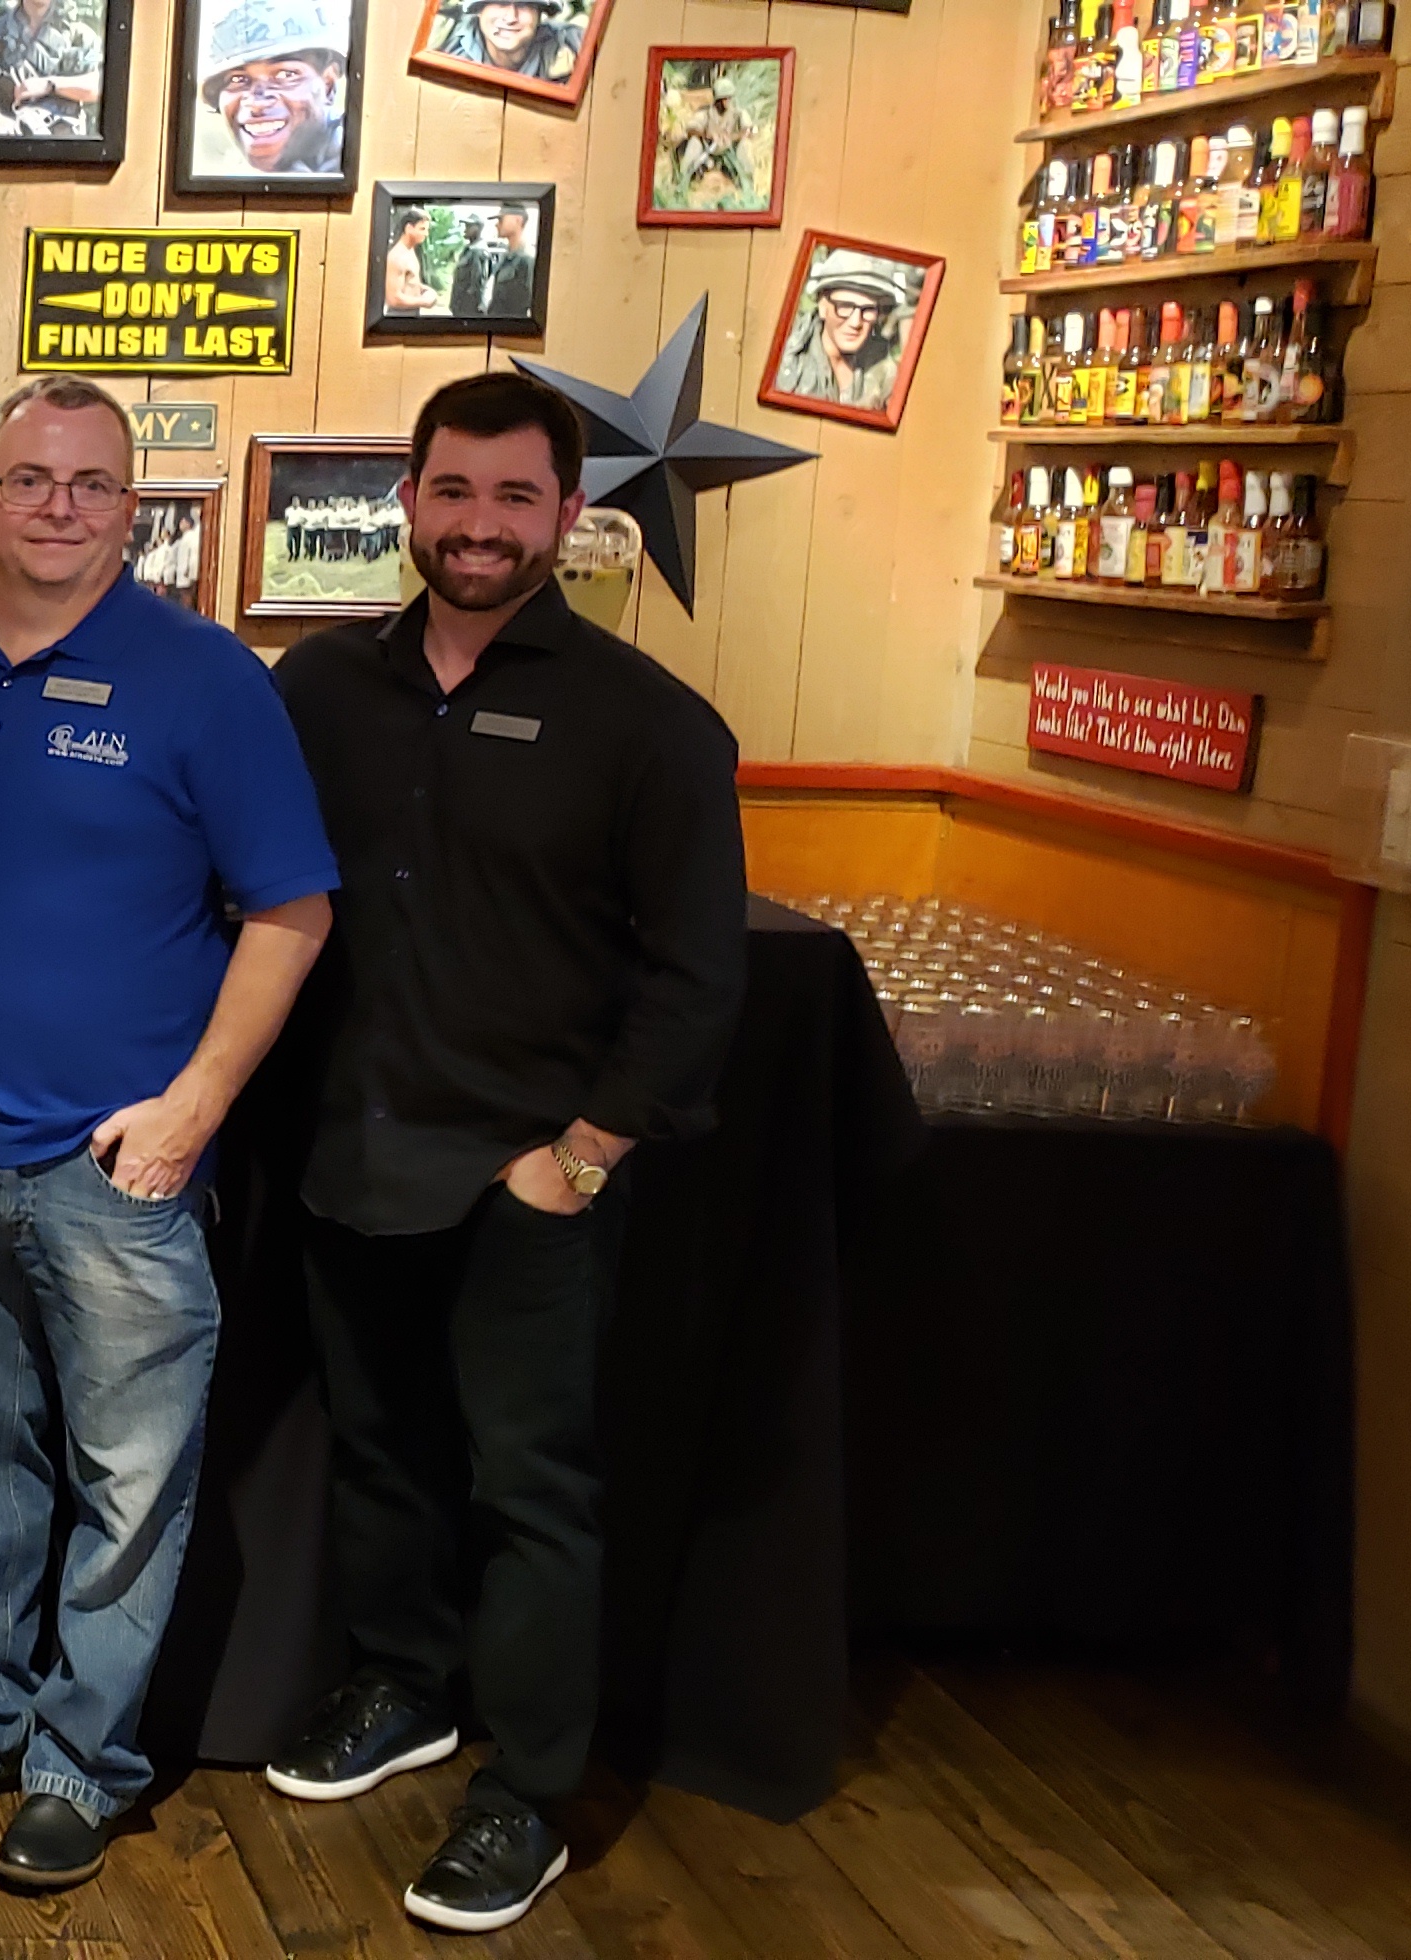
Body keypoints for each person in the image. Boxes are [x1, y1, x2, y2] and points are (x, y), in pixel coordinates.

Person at [263, 371, 747, 1935]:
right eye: (453, 493)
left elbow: (696, 979)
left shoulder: (652, 726)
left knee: (533, 1490)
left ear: (567, 516)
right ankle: (406, 1686)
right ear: (407, 501)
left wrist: (585, 1153)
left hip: (530, 1179)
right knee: (387, 1449)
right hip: (351, 1156)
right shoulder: (318, 688)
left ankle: (528, 1792)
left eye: (514, 498)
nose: (479, 528)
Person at [0, 375, 338, 1895]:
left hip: (118, 1174)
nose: (59, 508)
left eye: (90, 485)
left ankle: (84, 1763)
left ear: (133, 509)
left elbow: (293, 911)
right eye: (30, 479)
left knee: (129, 1490)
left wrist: (195, 1108)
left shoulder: (206, 678)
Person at [195, 0, 349, 177]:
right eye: (238, 79)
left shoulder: (358, 159)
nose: (256, 102)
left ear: (328, 86)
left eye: (286, 75)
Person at [774, 265, 909, 412]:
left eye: (868, 310)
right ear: (822, 307)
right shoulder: (786, 356)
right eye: (844, 307)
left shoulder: (885, 371)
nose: (855, 322)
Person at [0, 0, 104, 138]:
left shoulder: (81, 35)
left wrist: (50, 85)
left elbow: (99, 86)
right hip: (11, 142)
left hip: (65, 147)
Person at [434, 0, 577, 83]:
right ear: (478, 8)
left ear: (539, 14)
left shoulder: (571, 43)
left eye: (524, 4)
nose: (510, 18)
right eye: (500, 2)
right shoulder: (443, 38)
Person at [455, 208, 537, 322]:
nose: (496, 225)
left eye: (501, 220)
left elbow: (478, 284)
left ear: (517, 220)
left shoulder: (527, 258)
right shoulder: (505, 257)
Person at [382, 210, 441, 315]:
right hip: (399, 319)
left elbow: (410, 282)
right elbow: (393, 298)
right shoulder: (397, 256)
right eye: (422, 229)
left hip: (411, 315)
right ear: (409, 228)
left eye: (427, 230)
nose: (426, 234)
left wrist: (427, 291)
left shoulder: (410, 250)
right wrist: (424, 301)